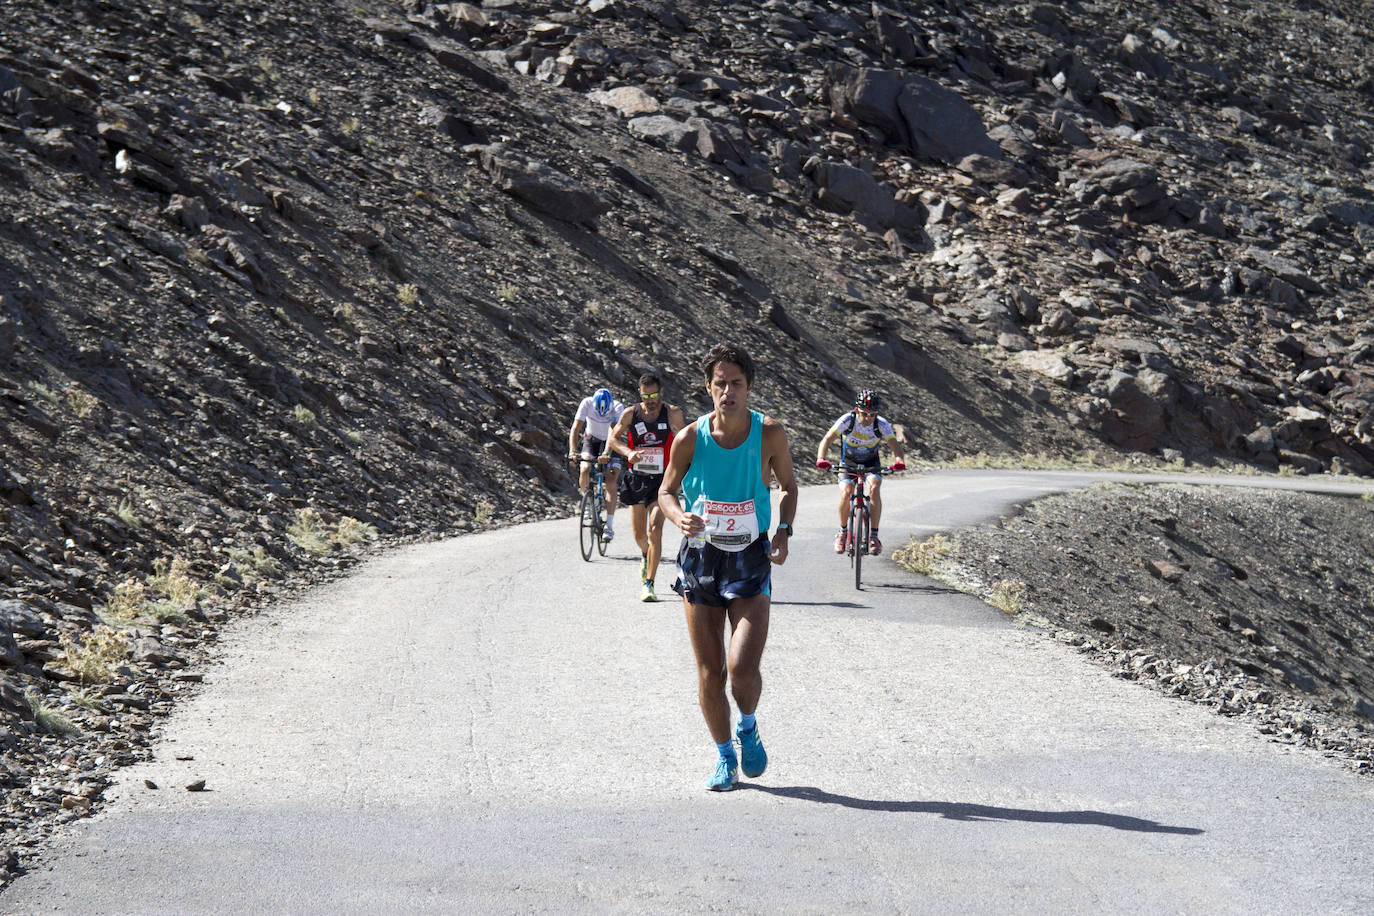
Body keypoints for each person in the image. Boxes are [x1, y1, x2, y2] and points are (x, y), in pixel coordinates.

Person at [659, 343, 798, 791]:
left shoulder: (769, 433)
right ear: (708, 387)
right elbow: (666, 491)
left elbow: (789, 486)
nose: (728, 391)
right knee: (710, 672)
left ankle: (748, 726)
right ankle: (724, 757)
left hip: (750, 556)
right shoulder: (690, 438)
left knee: (742, 669)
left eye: (736, 383)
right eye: (720, 383)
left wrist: (783, 530)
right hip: (701, 556)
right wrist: (678, 516)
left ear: (749, 387)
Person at [605, 373, 686, 602]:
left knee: (655, 529)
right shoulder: (630, 413)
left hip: (662, 481)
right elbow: (613, 439)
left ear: (661, 392)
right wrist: (628, 452)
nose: (649, 400)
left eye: (653, 395)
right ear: (639, 394)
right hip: (637, 478)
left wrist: (683, 463)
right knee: (640, 536)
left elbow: (687, 438)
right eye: (645, 396)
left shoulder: (672, 413)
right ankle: (645, 553)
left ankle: (649, 583)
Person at [814, 389, 906, 555]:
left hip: (871, 463)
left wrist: (899, 461)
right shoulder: (847, 420)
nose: (868, 418)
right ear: (857, 410)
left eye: (873, 415)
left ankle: (874, 536)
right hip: (848, 463)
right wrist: (821, 458)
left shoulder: (881, 424)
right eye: (864, 414)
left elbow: (894, 445)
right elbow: (826, 439)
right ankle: (842, 533)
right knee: (846, 493)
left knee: (874, 488)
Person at [567, 387, 626, 540]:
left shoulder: (618, 407)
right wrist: (572, 451)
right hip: (591, 440)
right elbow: (575, 428)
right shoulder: (586, 403)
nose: (601, 415)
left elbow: (613, 433)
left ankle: (609, 526)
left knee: (611, 481)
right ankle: (587, 503)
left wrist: (606, 453)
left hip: (612, 442)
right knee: (584, 468)